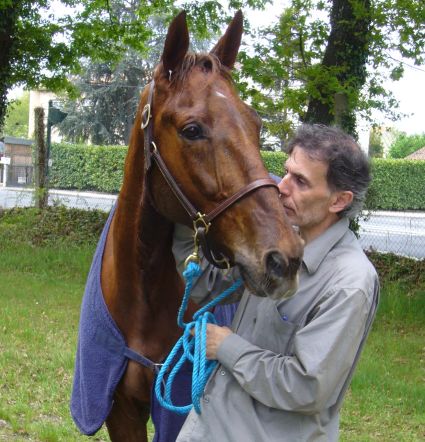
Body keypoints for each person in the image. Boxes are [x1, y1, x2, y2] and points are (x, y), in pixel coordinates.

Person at [152, 123, 379, 442]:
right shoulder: (277, 243)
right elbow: (207, 285)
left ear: (339, 201)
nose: (281, 187)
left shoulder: (350, 281)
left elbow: (306, 387)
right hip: (210, 428)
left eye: (300, 181)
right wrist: (184, 206)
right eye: (286, 172)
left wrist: (226, 346)